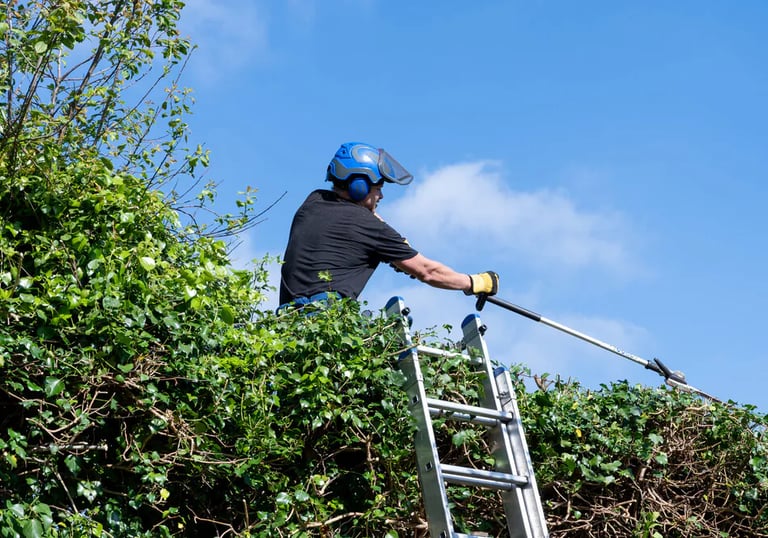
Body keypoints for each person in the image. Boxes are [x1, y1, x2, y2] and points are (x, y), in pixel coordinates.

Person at [278, 141, 499, 309]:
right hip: (327, 323)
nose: (381, 195)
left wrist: (396, 248)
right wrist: (474, 282)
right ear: (359, 186)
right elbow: (428, 272)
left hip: (288, 323)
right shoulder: (368, 227)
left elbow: (358, 225)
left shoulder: (313, 202)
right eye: (378, 188)